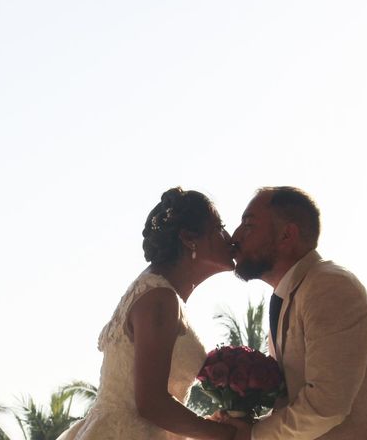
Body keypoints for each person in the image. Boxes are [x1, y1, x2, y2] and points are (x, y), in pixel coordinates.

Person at [226, 187, 367, 440]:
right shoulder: (292, 295)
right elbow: (296, 403)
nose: (235, 236)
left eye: (248, 224)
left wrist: (253, 435)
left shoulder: (329, 286)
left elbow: (327, 406)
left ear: (287, 235)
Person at [57, 187, 238, 440]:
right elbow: (151, 403)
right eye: (219, 227)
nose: (229, 237)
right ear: (188, 238)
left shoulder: (158, 292)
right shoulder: (159, 297)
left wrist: (205, 425)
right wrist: (225, 435)